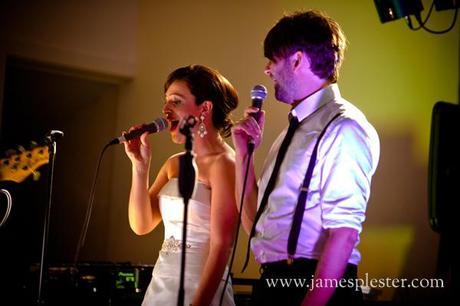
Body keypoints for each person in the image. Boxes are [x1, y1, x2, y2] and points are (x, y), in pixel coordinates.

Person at [232, 10, 380, 306]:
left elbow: (345, 233)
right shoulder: (291, 131)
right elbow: (254, 226)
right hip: (273, 284)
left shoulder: (343, 127)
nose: (267, 70)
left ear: (297, 60)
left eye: (272, 59)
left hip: (311, 288)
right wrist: (243, 156)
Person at [124, 65, 239, 306]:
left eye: (175, 101)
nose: (165, 111)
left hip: (200, 289)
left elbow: (221, 247)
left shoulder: (225, 165)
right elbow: (141, 225)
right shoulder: (174, 164)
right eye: (166, 102)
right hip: (161, 286)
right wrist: (140, 167)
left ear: (205, 108)